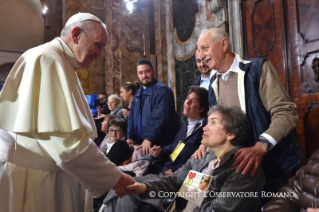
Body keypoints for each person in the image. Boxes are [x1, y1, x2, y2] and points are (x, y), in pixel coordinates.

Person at [0, 12, 134, 212]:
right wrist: (118, 179)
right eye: (98, 45)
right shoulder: (47, 59)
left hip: (47, 175)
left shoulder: (61, 61)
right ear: (76, 34)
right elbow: (67, 143)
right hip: (36, 181)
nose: (99, 55)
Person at [195, 28, 301, 199]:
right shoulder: (214, 82)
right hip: (238, 171)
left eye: (205, 48)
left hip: (270, 166)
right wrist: (206, 143)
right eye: (199, 50)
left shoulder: (258, 69)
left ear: (224, 45)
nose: (201, 55)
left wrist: (261, 146)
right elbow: (219, 124)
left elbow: (285, 113)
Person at [105, 105, 265, 212]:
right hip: (184, 201)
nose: (205, 127)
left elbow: (222, 209)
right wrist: (145, 188)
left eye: (213, 123)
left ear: (231, 133)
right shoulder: (204, 156)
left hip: (186, 205)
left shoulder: (241, 165)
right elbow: (175, 180)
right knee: (130, 191)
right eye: (207, 122)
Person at [116, 86, 208, 177]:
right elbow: (176, 150)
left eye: (193, 101)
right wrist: (160, 152)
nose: (187, 102)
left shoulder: (204, 130)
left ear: (201, 109)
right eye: (187, 98)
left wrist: (173, 170)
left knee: (132, 184)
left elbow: (197, 161)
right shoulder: (187, 125)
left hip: (180, 176)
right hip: (167, 170)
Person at [127, 58, 179, 155]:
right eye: (141, 73)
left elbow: (159, 117)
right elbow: (131, 116)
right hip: (142, 143)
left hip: (159, 145)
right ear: (138, 75)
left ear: (153, 72)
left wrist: (149, 138)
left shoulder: (162, 91)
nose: (144, 76)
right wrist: (130, 137)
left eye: (147, 71)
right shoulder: (138, 93)